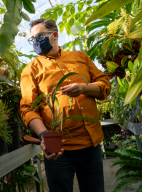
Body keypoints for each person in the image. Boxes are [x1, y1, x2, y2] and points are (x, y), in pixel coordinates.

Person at [20, 18, 111, 192]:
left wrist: (84, 88)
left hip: (90, 143)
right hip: (58, 149)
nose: (36, 41)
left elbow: (104, 85)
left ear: (54, 35)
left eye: (40, 35)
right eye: (32, 39)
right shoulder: (31, 70)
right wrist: (44, 135)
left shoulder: (80, 57)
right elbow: (28, 109)